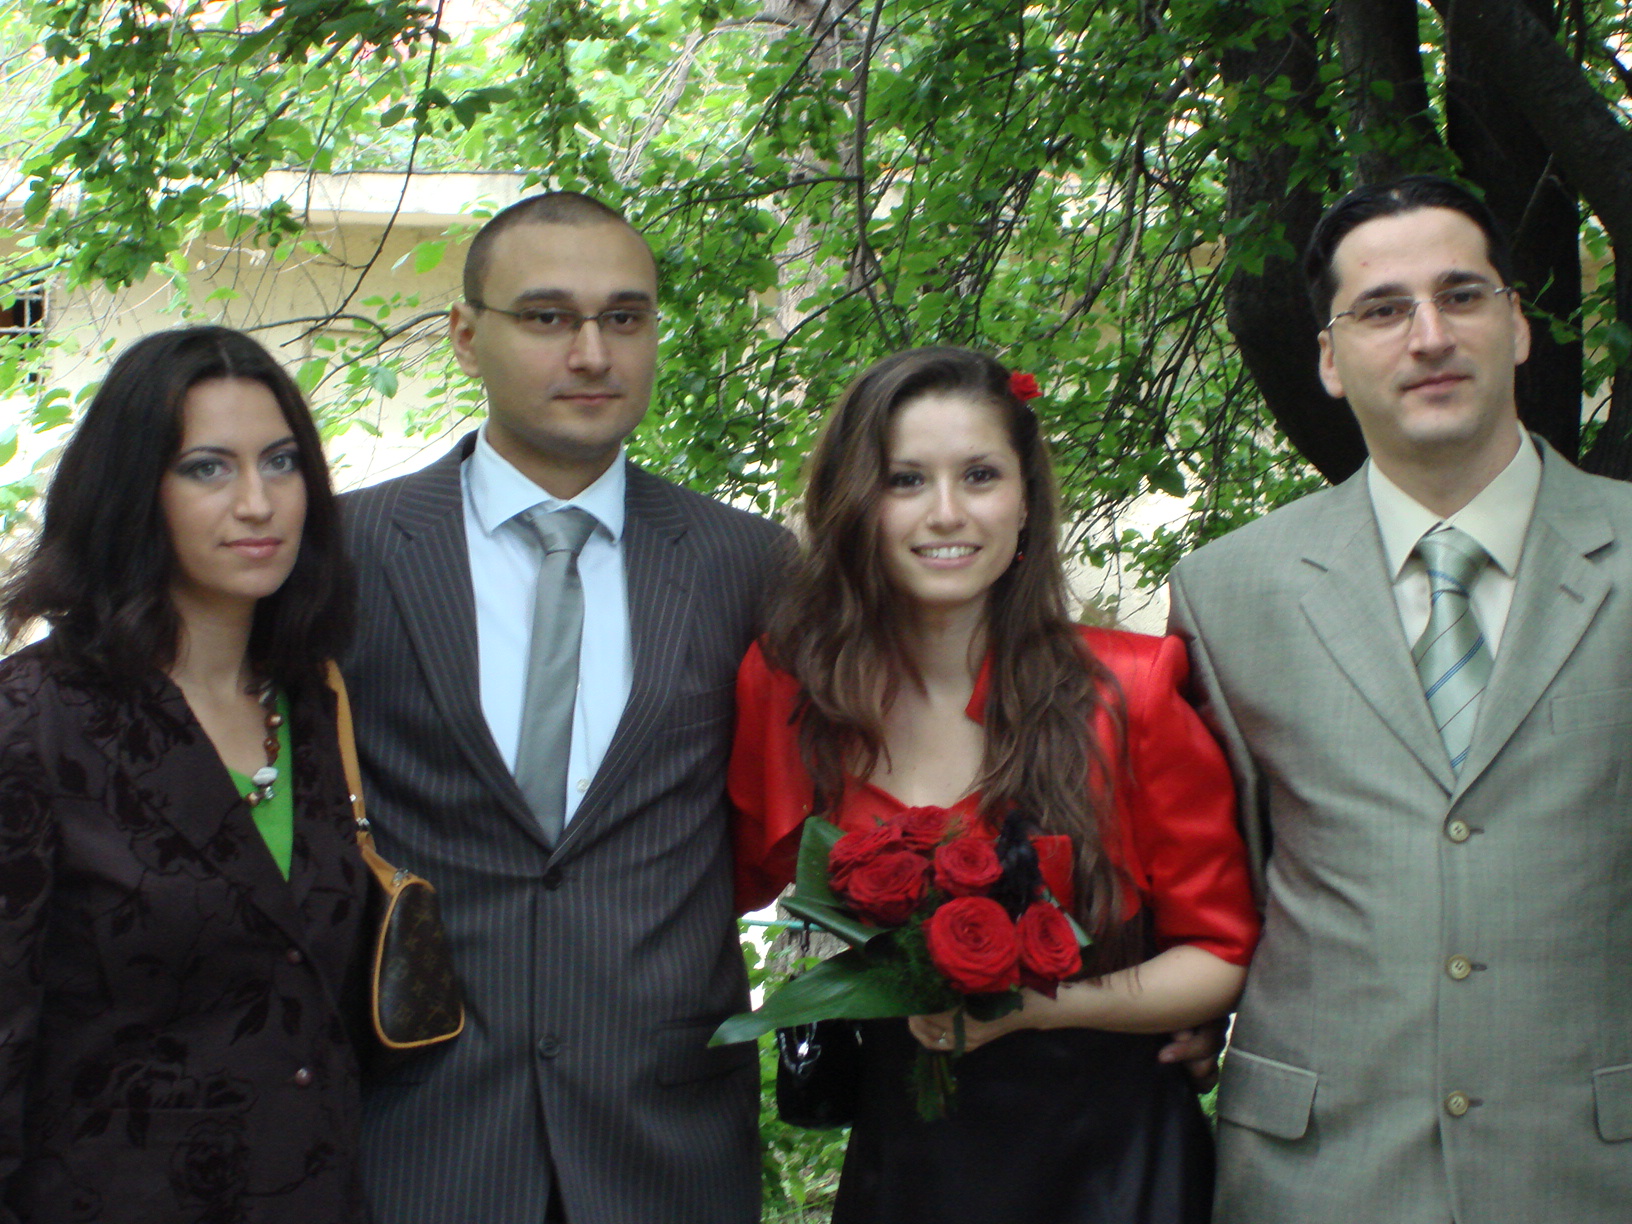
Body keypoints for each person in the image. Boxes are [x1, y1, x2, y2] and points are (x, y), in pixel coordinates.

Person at [1168, 174, 1632, 1223]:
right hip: (1318, 1173)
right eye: (1382, 309)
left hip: (1593, 1169)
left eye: (1462, 296)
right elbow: (1208, 887)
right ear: (1330, 360)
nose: (1429, 336)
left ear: (1519, 325)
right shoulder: (1227, 593)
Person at [732, 346, 1260, 1223]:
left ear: (1025, 502)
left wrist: (1041, 1011)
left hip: (1112, 1166)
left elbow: (1222, 955)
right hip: (908, 1162)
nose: (947, 512)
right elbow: (721, 879)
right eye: (905, 479)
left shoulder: (1129, 691)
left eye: (979, 475)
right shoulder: (792, 692)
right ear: (854, 502)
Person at [341, 191, 785, 1224]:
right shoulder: (347, 553)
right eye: (547, 317)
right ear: (466, 336)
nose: (592, 353)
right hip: (420, 1133)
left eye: (624, 317)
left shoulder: (745, 563)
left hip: (663, 1141)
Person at [0, 326, 368, 1224]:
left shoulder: (311, 705)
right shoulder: (33, 718)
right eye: (209, 469)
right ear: (133, 492)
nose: (259, 502)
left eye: (281, 463)